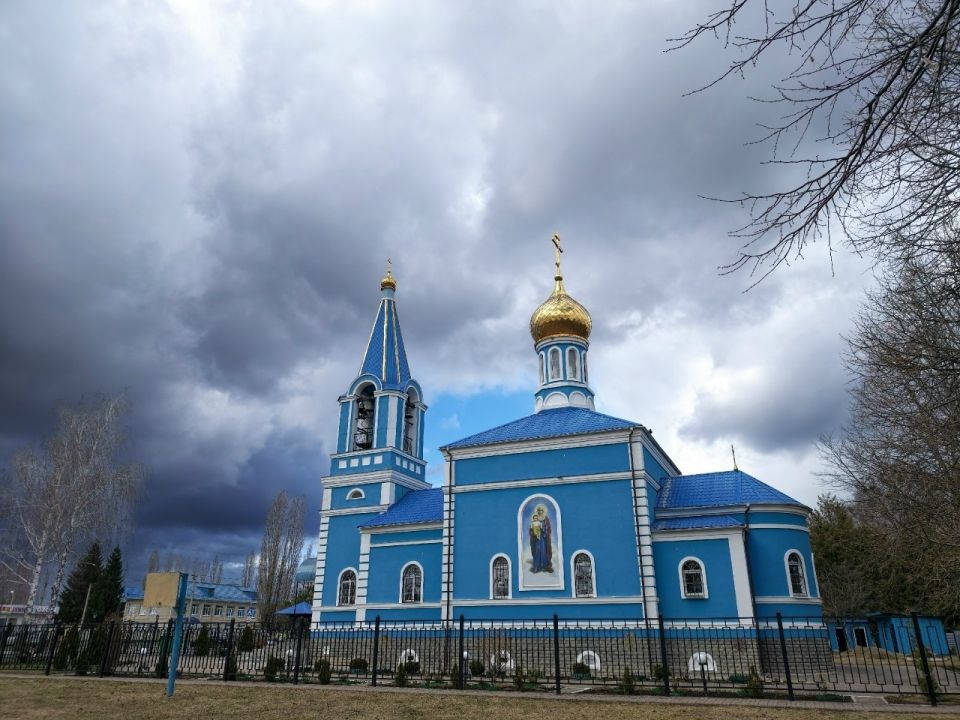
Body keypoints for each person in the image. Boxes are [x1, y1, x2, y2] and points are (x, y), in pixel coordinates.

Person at [528, 503, 553, 573]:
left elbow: (548, 528)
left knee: (544, 551)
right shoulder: (535, 518)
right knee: (537, 551)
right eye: (538, 510)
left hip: (544, 538)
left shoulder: (546, 518)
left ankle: (545, 566)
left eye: (541, 510)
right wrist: (533, 532)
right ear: (537, 511)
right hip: (536, 538)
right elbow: (531, 528)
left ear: (543, 511)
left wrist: (544, 531)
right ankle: (537, 566)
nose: (540, 511)